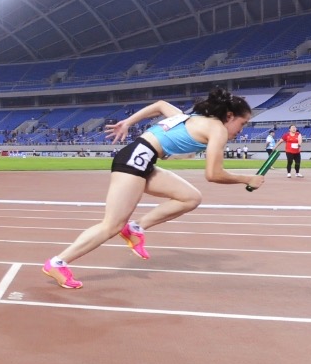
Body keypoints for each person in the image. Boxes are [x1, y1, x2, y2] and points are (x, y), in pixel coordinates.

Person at [43, 88, 263, 290]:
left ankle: (135, 228)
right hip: (135, 161)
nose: (241, 130)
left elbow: (160, 105)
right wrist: (247, 179)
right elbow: (213, 174)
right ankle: (58, 262)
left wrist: (128, 122)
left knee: (190, 198)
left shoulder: (192, 118)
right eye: (242, 123)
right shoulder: (217, 130)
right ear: (229, 116)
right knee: (111, 225)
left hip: (142, 160)